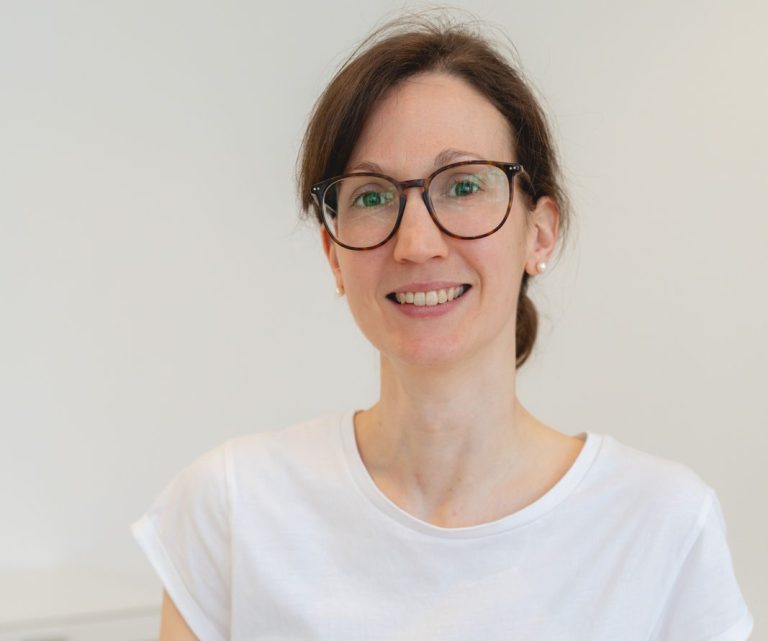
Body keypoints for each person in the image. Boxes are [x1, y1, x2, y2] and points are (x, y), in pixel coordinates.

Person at [131, 14, 754, 641]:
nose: (417, 243)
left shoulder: (663, 526)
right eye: (372, 196)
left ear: (539, 234)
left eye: (463, 186)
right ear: (333, 254)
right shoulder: (232, 510)